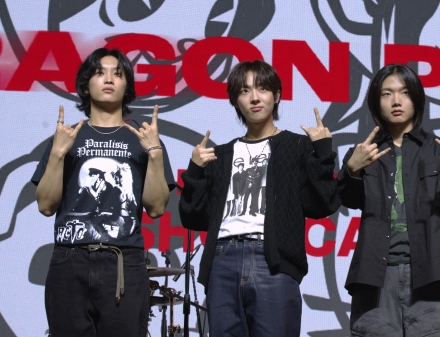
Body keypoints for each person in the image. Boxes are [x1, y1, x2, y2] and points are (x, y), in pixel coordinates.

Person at [178, 60, 341, 336]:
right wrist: (195, 171)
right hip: (223, 258)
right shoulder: (221, 156)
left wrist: (323, 153)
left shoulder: (296, 146)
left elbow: (322, 204)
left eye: (263, 88)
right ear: (235, 101)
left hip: (273, 261)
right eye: (244, 91)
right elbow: (193, 216)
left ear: (276, 95)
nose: (254, 97)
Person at [31, 48, 175, 337]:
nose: (109, 79)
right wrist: (59, 154)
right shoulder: (65, 137)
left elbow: (157, 208)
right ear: (86, 85)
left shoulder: (144, 139)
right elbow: (46, 205)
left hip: (124, 261)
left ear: (127, 87)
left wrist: (155, 154)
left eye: (118, 74)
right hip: (70, 259)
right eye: (100, 72)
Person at [337, 64, 440, 337]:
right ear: (375, 102)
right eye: (387, 94)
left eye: (404, 92)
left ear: (416, 98)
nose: (396, 101)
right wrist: (352, 170)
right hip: (374, 277)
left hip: (430, 275)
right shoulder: (362, 152)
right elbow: (347, 199)